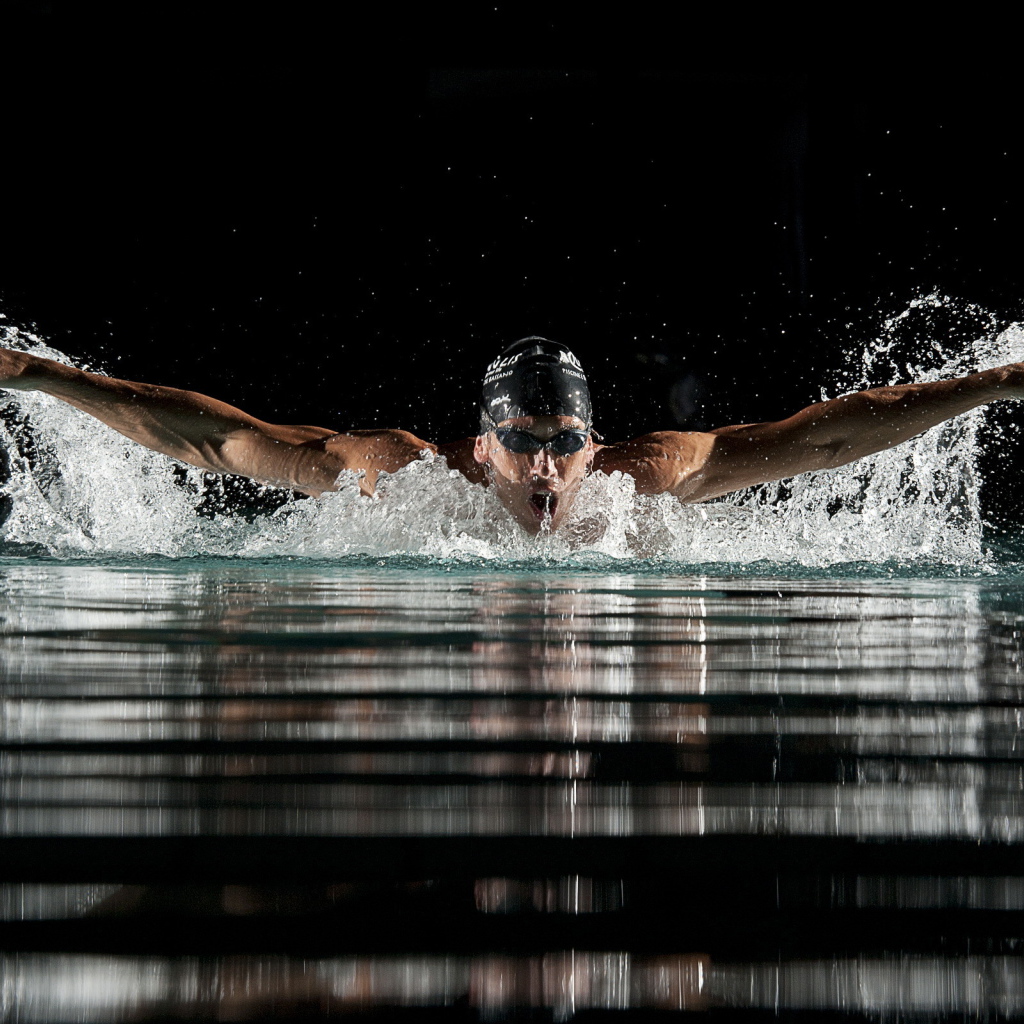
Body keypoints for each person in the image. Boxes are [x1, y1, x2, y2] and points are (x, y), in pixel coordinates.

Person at [0, 336, 1022, 534]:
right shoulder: (401, 479)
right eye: (522, 443)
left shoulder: (645, 480)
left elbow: (824, 440)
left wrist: (994, 384)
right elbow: (221, 443)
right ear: (476, 447)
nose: (544, 468)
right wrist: (44, 377)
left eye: (565, 443)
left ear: (596, 441)